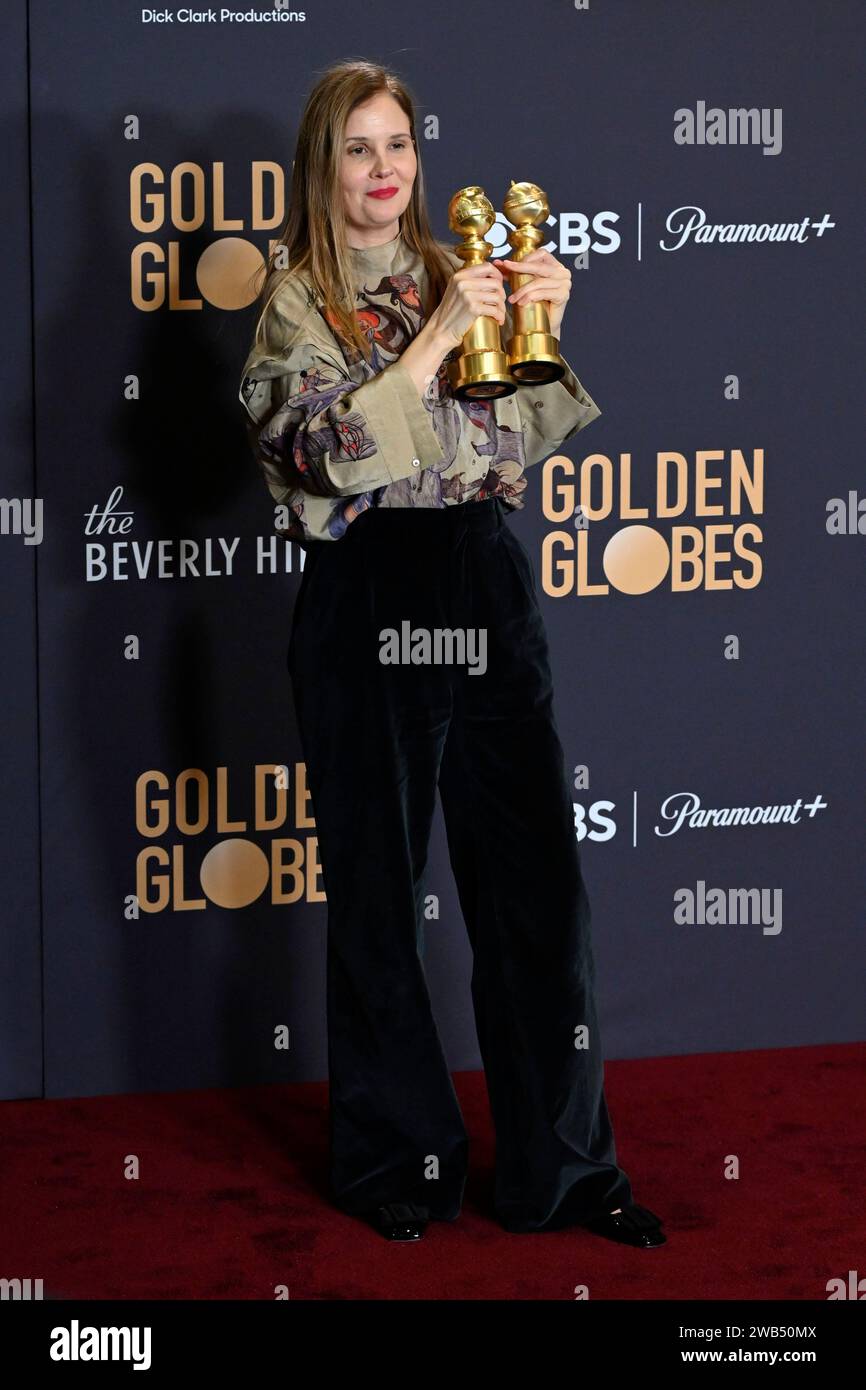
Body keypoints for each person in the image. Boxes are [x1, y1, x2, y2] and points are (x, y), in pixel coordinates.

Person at [239, 59, 665, 1249]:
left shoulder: (455, 269)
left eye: (401, 145)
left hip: (479, 573)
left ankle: (565, 1171)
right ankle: (399, 1164)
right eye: (361, 149)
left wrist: (537, 323)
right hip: (366, 592)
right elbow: (325, 456)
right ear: (322, 168)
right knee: (377, 894)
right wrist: (437, 334)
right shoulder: (295, 304)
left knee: (537, 889)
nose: (387, 171)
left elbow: (512, 444)